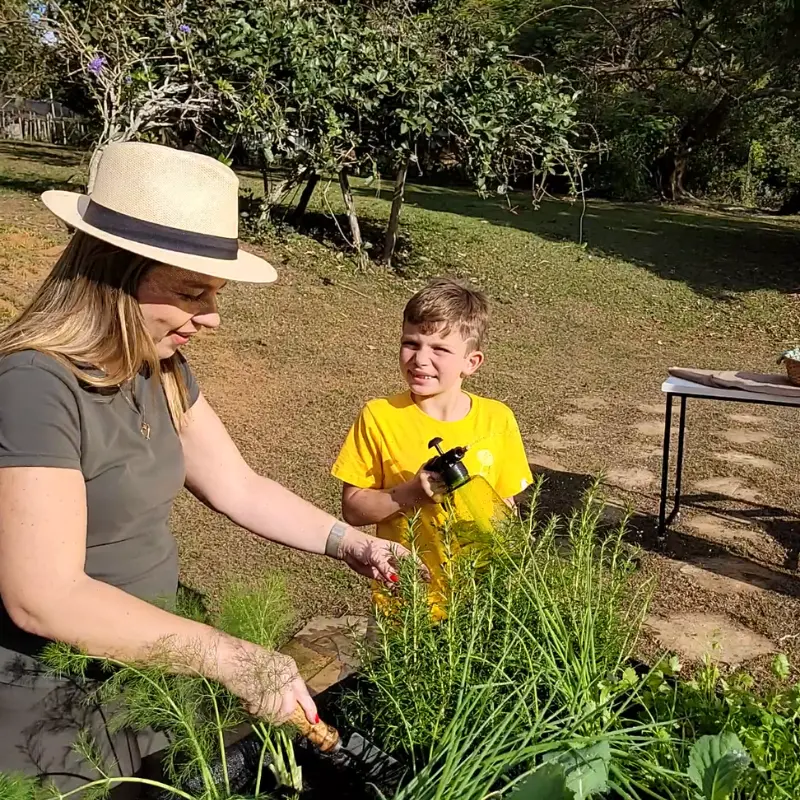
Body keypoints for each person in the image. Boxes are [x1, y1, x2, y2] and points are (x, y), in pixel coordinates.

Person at [0, 141, 412, 790]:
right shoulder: (32, 385)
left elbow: (239, 486)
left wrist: (350, 542)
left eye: (214, 293)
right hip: (52, 712)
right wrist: (230, 656)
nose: (212, 318)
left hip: (145, 680)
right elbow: (45, 596)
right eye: (193, 292)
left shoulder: (158, 368)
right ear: (115, 271)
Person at [331, 277, 533, 610]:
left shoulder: (497, 420)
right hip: (405, 602)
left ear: (472, 362)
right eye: (411, 343)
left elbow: (505, 510)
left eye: (439, 349)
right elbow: (352, 511)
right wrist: (413, 492)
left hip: (481, 600)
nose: (420, 359)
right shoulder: (380, 416)